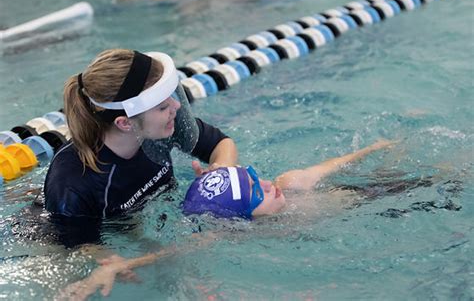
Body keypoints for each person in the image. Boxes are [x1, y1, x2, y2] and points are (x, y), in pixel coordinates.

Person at [60, 139, 393, 299]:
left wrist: (381, 147)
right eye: (255, 193)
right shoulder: (239, 234)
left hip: (389, 193)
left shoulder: (291, 184)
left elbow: (342, 163)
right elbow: (182, 251)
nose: (267, 185)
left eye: (254, 177)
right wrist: (116, 265)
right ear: (239, 219)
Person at [43, 49, 238, 244]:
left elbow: (221, 144)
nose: (176, 107)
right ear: (125, 123)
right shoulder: (73, 184)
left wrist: (220, 171)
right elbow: (81, 248)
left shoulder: (161, 126)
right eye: (162, 107)